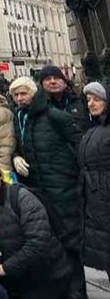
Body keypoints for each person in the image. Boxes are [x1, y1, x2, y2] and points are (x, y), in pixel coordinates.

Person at [8, 75, 84, 298]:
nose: (20, 98)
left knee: (71, 244)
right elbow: (20, 145)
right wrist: (15, 157)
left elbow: (79, 144)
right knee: (49, 244)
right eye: (16, 95)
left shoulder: (54, 116)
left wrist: (73, 175)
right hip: (37, 189)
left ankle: (78, 293)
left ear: (34, 93)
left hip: (63, 188)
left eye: (24, 93)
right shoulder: (19, 117)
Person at [0, 152, 69, 299]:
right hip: (2, 269)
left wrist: (3, 268)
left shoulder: (21, 197)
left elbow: (38, 244)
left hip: (39, 272)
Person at [78, 82, 108, 279]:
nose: (91, 104)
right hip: (96, 205)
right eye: (88, 100)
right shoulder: (92, 130)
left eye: (96, 99)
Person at [37, 64, 89, 130]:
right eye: (48, 79)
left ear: (65, 83)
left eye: (56, 78)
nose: (53, 81)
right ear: (41, 84)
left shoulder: (79, 102)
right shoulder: (38, 107)